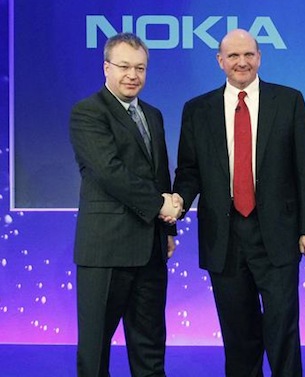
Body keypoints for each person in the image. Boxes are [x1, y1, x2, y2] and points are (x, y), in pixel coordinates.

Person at [173, 29, 305, 376]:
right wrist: (176, 205)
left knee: (282, 329)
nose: (241, 62)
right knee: (238, 335)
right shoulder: (197, 109)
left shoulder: (288, 101)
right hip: (223, 238)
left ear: (259, 57)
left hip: (278, 234)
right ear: (220, 61)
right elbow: (189, 170)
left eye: (249, 55)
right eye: (233, 56)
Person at [69, 32, 182, 377]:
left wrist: (169, 230)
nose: (133, 75)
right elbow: (109, 172)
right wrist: (160, 205)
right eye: (124, 66)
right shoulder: (88, 112)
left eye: (140, 68)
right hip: (106, 251)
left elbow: (160, 174)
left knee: (150, 347)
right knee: (95, 350)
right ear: (106, 68)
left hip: (150, 249)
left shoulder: (153, 114)